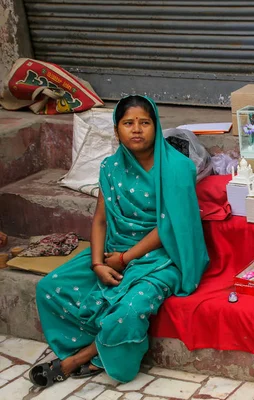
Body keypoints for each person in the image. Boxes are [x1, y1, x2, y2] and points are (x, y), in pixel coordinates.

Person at [29, 95, 209, 387]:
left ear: (156, 126)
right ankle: (95, 345)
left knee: (127, 312)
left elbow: (170, 227)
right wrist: (98, 263)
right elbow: (100, 219)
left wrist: (126, 259)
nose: (136, 130)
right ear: (117, 131)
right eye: (128, 123)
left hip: (162, 256)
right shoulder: (110, 167)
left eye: (144, 123)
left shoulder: (176, 168)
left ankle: (78, 359)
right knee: (50, 287)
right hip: (114, 250)